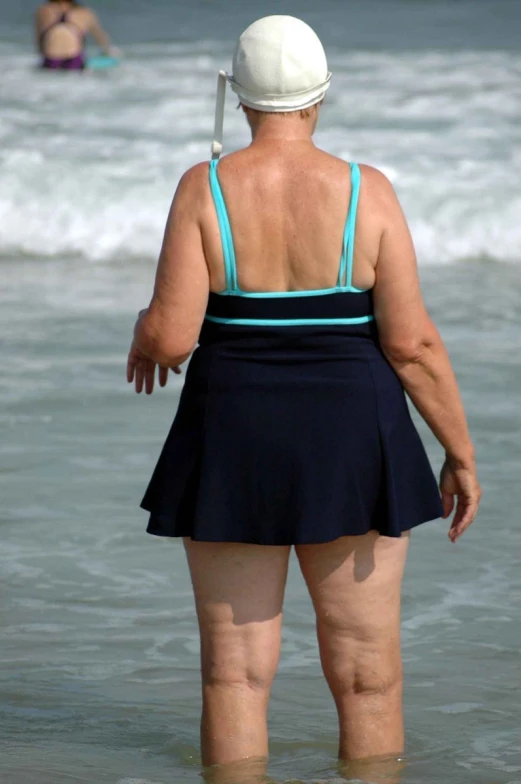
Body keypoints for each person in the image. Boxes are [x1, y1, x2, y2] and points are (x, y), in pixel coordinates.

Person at [127, 15, 481, 783]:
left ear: (237, 97)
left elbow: (173, 337)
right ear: (320, 96)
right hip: (354, 437)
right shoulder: (365, 190)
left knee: (234, 674)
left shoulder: (204, 187)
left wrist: (143, 332)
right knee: (366, 673)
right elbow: (411, 345)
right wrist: (456, 450)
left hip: (233, 434)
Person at [35, 0, 114, 70]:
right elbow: (100, 37)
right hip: (74, 56)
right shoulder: (85, 12)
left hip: (51, 56)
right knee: (74, 83)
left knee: (50, 83)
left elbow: (39, 40)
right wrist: (107, 52)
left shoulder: (44, 10)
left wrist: (43, 54)